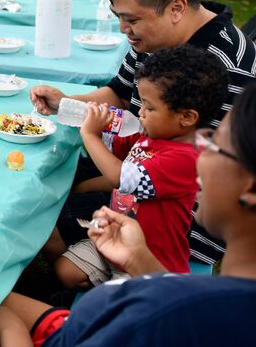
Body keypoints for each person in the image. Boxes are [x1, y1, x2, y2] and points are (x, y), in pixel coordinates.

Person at [0, 83, 256, 347]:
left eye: (213, 145)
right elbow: (181, 300)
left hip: (80, 327)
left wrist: (9, 331)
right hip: (83, 320)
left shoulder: (165, 317)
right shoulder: (208, 304)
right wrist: (138, 260)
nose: (199, 156)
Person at [32, 0, 256, 266]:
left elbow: (204, 179)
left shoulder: (224, 67)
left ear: (176, 8)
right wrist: (65, 103)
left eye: (131, 19)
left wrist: (102, 178)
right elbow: (120, 92)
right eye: (119, 17)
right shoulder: (155, 36)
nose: (124, 29)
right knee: (47, 180)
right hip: (138, 163)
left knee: (45, 217)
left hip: (178, 213)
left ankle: (65, 288)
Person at [56, 46, 227, 292]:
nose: (140, 113)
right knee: (65, 272)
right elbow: (115, 146)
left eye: (149, 107)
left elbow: (119, 177)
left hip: (149, 258)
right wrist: (99, 122)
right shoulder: (153, 135)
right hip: (117, 237)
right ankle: (99, 286)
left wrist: (90, 135)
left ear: (187, 117)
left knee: (119, 303)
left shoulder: (186, 159)